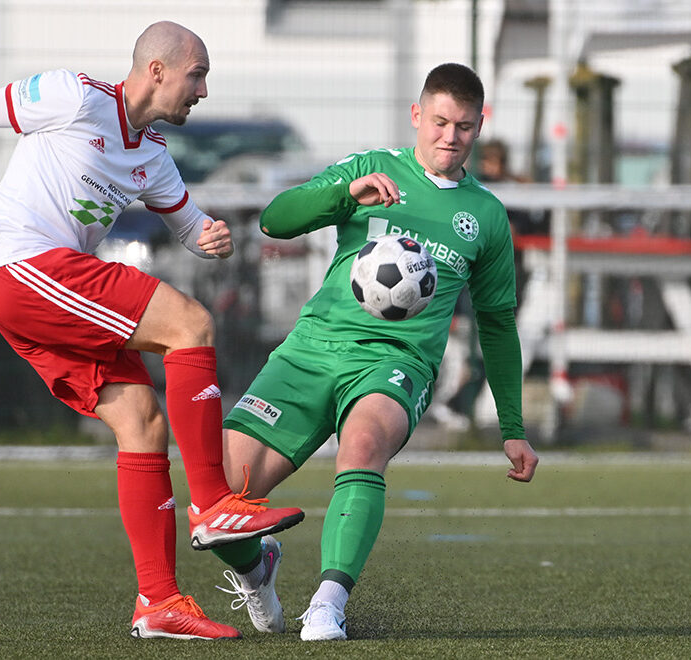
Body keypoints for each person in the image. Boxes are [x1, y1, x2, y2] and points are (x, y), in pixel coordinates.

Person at [0, 21, 303, 640]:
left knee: (142, 419)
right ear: (158, 70)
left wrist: (209, 238)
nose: (203, 90)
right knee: (190, 323)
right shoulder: (75, 97)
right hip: (22, 265)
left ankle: (158, 601)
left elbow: (190, 226)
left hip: (42, 286)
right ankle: (214, 504)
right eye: (197, 75)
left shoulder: (154, 157)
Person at [209, 62, 539, 641]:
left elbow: (498, 323)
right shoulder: (370, 169)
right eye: (439, 122)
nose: (449, 137)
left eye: (464, 126)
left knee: (361, 445)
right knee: (222, 494)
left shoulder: (485, 216)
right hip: (311, 350)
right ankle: (256, 569)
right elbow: (274, 220)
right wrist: (343, 196)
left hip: (396, 362)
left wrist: (511, 423)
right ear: (417, 116)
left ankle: (328, 602)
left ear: (479, 127)